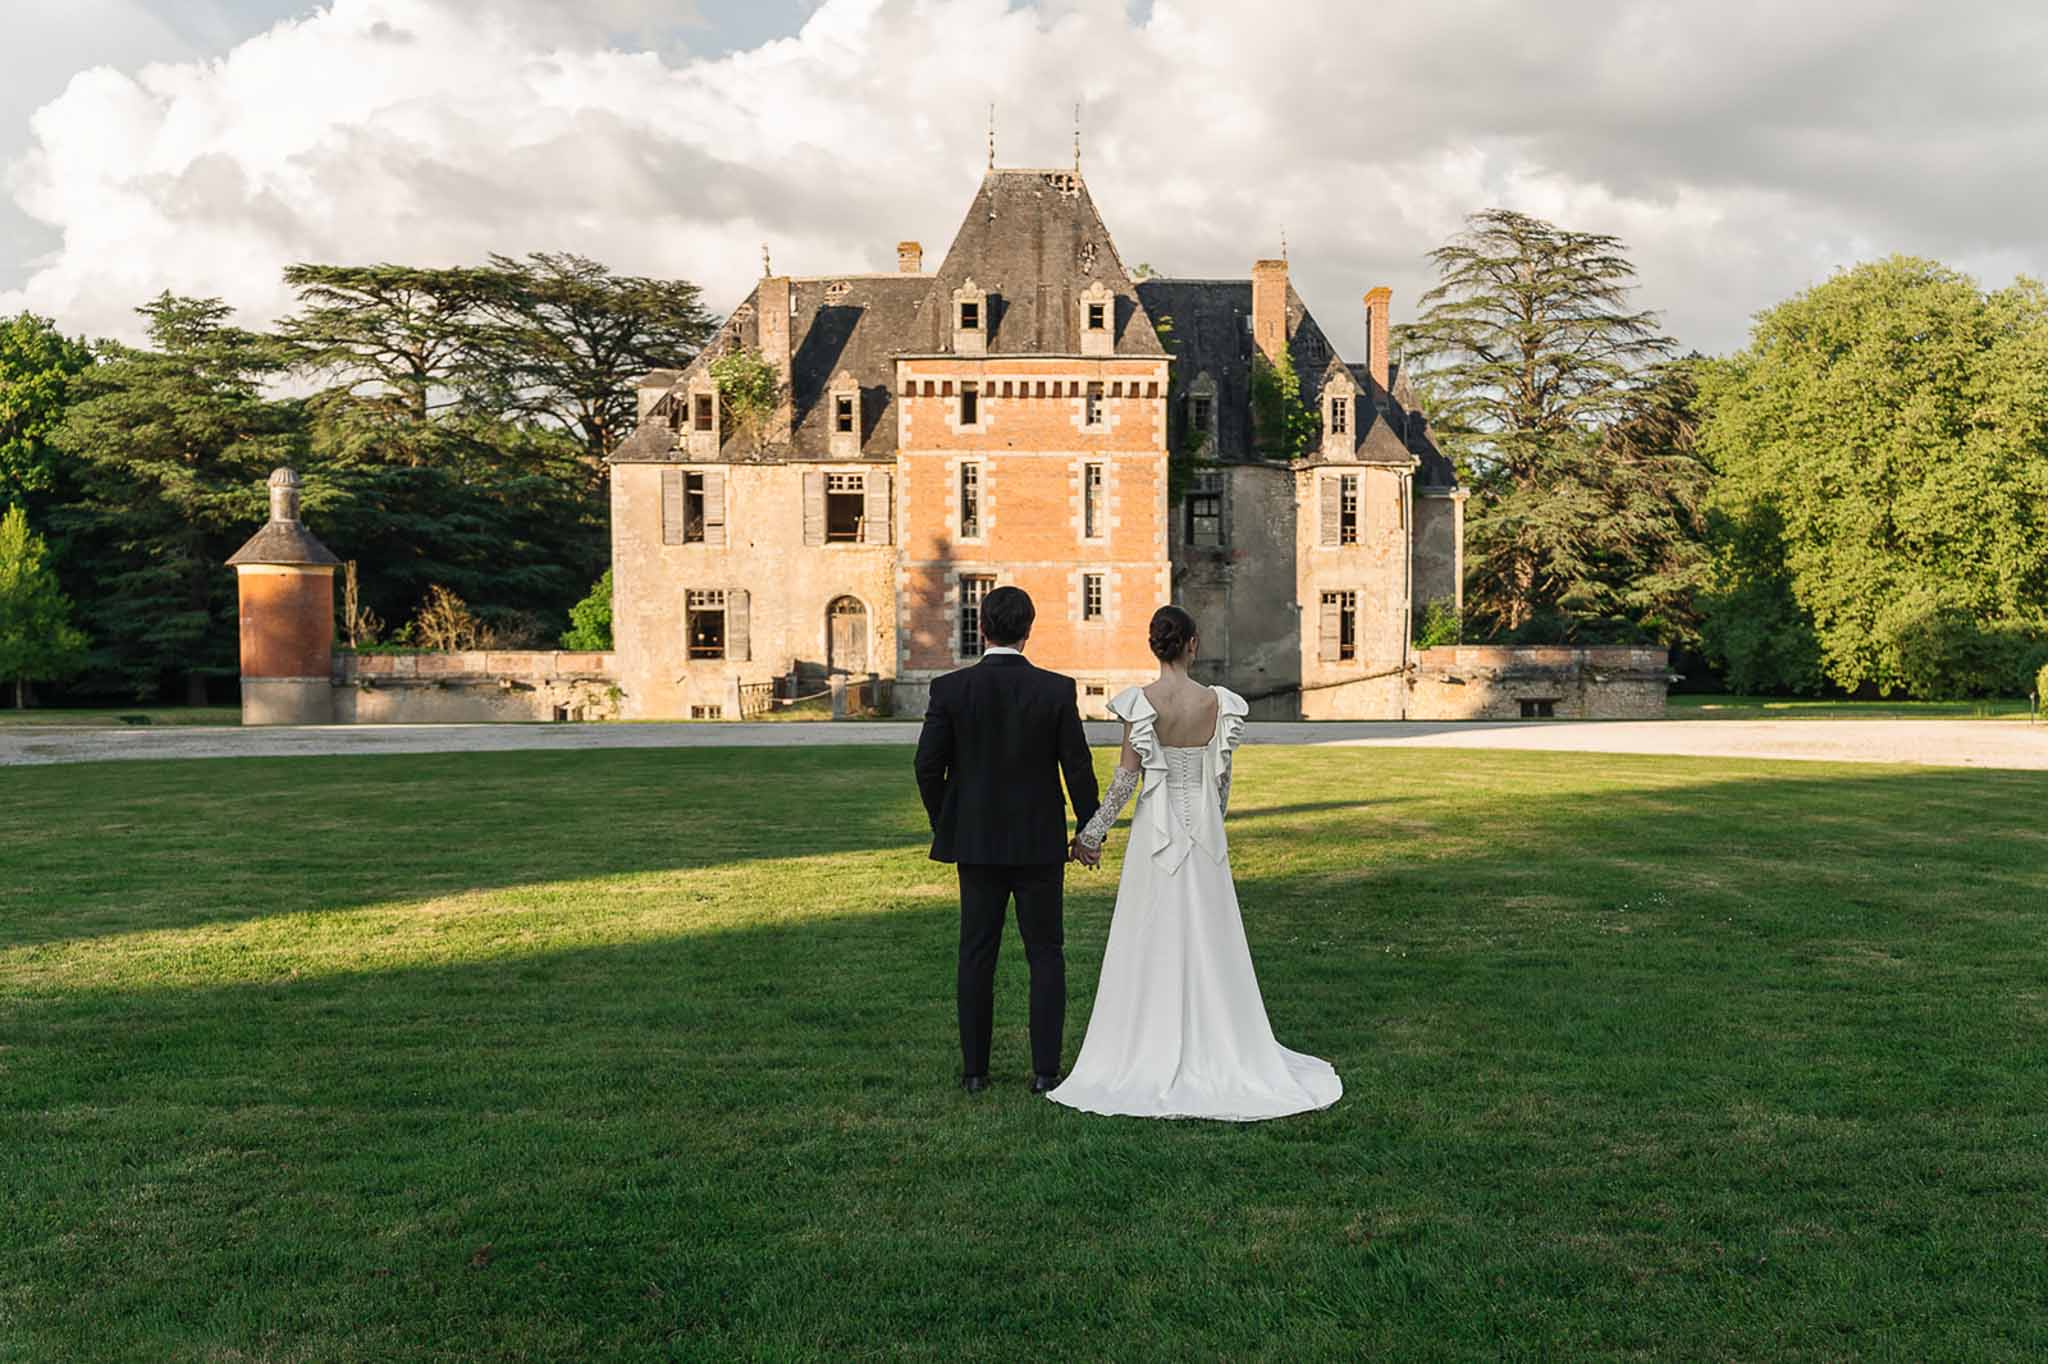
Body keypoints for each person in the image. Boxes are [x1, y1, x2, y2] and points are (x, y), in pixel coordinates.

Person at [1049, 604, 1342, 1121]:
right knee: (1210, 932)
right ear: (1193, 644)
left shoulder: (1142, 703)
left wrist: (1090, 835)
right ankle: (1219, 1036)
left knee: (1151, 931)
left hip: (1154, 832)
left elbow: (1124, 782)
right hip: (1204, 832)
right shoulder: (1217, 703)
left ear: (1154, 645)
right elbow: (1221, 782)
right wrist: (1211, 820)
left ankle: (1144, 1042)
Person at [913, 586, 1101, 1094]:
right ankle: (1045, 1072)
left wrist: (944, 821)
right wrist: (1089, 829)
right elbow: (1077, 769)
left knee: (976, 953)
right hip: (1039, 842)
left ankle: (975, 1072)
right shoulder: (1056, 689)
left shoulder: (950, 689)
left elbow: (928, 766)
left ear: (982, 628)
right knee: (1046, 953)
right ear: (1029, 629)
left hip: (976, 842)